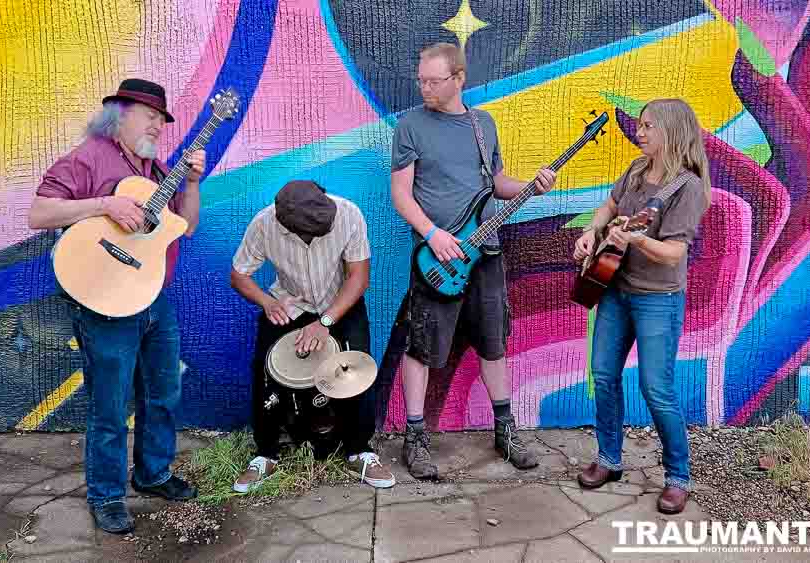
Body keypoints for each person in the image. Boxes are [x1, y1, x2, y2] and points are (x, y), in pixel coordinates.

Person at [28, 78, 203, 534]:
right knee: (109, 406)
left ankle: (153, 473)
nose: (158, 127)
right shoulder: (89, 158)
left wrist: (193, 181)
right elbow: (39, 214)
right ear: (119, 115)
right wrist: (105, 204)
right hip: (105, 303)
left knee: (163, 393)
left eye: (162, 120)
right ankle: (106, 495)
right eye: (150, 117)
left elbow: (185, 227)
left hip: (153, 301)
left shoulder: (155, 169)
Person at [388, 42, 557, 479]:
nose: (424, 87)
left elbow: (495, 182)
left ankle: (505, 430)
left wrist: (531, 186)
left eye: (433, 80)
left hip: (485, 253)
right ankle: (415, 436)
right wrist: (432, 233)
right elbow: (401, 195)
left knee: (493, 340)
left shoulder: (483, 124)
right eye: (421, 79)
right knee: (422, 346)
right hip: (436, 257)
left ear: (459, 78)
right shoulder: (411, 126)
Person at [572, 98, 712, 514]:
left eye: (649, 126)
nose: (641, 132)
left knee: (656, 387)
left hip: (658, 300)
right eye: (641, 125)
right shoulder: (635, 171)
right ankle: (610, 459)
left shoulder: (685, 186)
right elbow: (611, 208)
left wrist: (636, 240)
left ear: (671, 130)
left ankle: (677, 476)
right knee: (603, 374)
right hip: (615, 288)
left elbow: (673, 253)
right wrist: (591, 231)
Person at [230, 179, 395, 492]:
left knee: (357, 366)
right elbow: (238, 275)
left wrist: (326, 321)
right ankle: (265, 454)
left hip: (340, 303)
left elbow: (359, 278)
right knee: (264, 371)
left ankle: (360, 451)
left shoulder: (348, 214)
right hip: (289, 304)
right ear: (286, 226)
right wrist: (268, 302)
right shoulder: (264, 224)